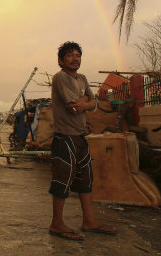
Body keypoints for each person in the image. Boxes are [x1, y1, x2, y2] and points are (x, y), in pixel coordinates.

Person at [49, 41, 117, 241]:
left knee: (86, 180)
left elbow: (93, 103)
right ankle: (56, 224)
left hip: (80, 136)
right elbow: (73, 106)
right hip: (65, 137)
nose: (75, 58)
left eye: (78, 55)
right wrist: (87, 103)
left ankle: (89, 221)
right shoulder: (60, 77)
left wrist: (85, 103)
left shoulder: (83, 78)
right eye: (70, 55)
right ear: (61, 61)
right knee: (62, 180)